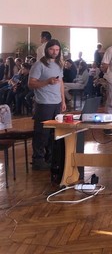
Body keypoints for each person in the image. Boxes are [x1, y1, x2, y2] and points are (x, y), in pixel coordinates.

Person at [28, 39, 66, 170]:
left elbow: (61, 83)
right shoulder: (39, 65)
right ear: (47, 50)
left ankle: (50, 158)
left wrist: (63, 100)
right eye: (52, 49)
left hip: (57, 103)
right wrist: (47, 82)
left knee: (53, 133)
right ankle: (38, 159)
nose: (55, 52)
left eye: (57, 50)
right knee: (41, 133)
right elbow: (31, 83)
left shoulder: (59, 64)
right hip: (44, 103)